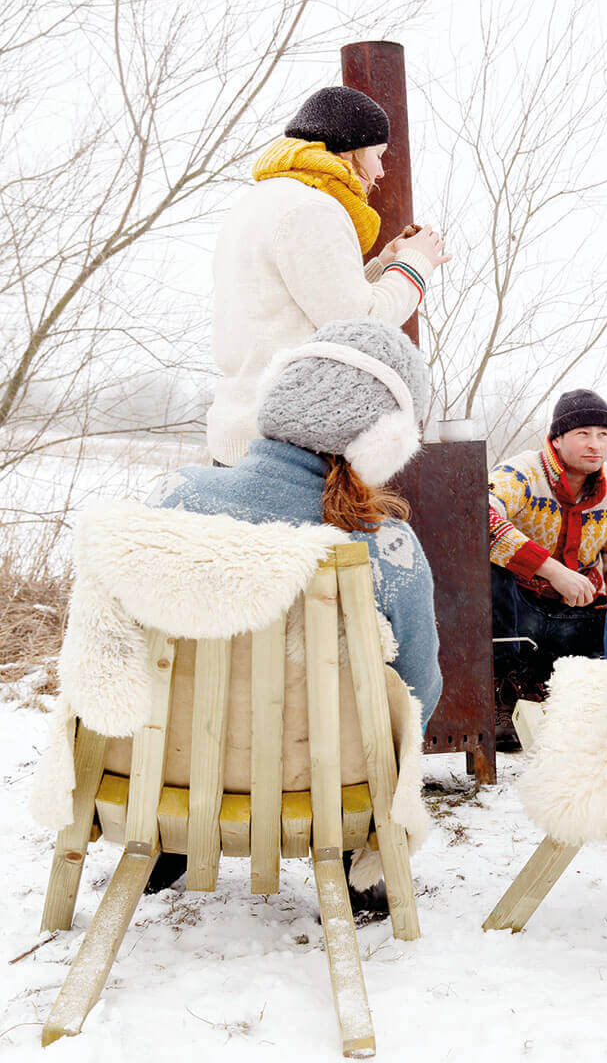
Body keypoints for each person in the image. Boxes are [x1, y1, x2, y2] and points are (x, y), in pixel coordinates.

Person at [146, 318, 441, 908]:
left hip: (173, 777)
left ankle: (176, 837)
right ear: (382, 440)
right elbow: (417, 689)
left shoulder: (173, 501)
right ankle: (364, 855)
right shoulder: (386, 545)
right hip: (326, 788)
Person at [205, 86, 451, 466]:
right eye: (378, 156)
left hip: (243, 433)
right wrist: (415, 267)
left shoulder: (264, 199)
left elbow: (306, 303)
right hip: (288, 449)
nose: (382, 172)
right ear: (350, 150)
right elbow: (359, 326)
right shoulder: (312, 209)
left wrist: (384, 265)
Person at [488, 389, 607, 707]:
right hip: (517, 610)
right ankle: (503, 689)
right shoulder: (520, 473)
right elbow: (478, 517)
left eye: (603, 434)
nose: (595, 444)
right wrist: (553, 571)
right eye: (583, 434)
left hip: (576, 615)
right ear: (556, 439)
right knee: (486, 562)